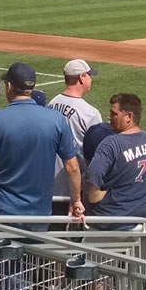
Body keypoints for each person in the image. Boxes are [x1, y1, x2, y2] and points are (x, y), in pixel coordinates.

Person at [0, 62, 83, 221]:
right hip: (40, 212)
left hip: (3, 211)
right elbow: (72, 168)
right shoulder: (56, 120)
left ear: (9, 86)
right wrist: (76, 200)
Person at [84, 93, 146, 230]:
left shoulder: (111, 144)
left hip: (111, 226)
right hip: (145, 225)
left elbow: (92, 175)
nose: (109, 117)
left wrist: (94, 196)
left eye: (114, 114)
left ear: (129, 117)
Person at [48, 59, 102, 207]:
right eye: (89, 75)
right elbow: (97, 157)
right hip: (75, 192)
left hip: (48, 186)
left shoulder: (51, 104)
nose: (91, 79)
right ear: (82, 77)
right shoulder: (90, 114)